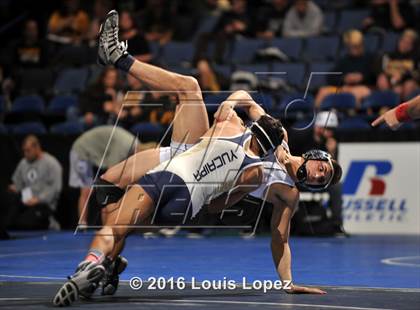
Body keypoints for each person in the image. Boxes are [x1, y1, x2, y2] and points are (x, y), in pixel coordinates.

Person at [53, 10, 341, 306]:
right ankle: (108, 265)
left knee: (118, 215)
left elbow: (279, 239)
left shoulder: (288, 194)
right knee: (107, 187)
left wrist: (288, 283)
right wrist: (234, 107)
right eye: (322, 169)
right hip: (197, 150)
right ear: (314, 156)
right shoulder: (280, 137)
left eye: (322, 180)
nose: (319, 176)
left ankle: (105, 262)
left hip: (199, 181)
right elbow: (244, 98)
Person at [69, 126, 140, 228]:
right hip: (81, 151)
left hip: (93, 150)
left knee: (109, 190)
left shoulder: (134, 143)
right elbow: (111, 171)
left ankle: (107, 224)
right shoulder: (125, 146)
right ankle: (83, 223)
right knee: (87, 190)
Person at [4, 135, 62, 230]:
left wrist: (38, 199)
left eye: (28, 150)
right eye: (24, 151)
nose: (25, 154)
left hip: (43, 205)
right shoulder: (23, 163)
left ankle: (51, 222)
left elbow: (55, 189)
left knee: (26, 224)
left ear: (37, 148)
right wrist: (13, 189)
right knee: (8, 220)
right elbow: (18, 183)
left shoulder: (51, 163)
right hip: (25, 202)